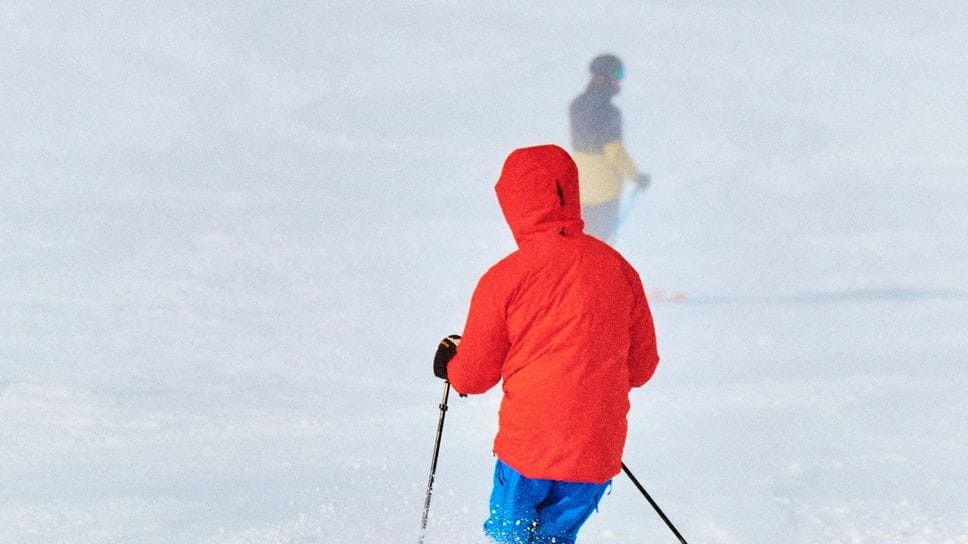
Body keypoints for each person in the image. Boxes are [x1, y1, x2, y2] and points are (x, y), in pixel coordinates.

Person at [433, 144, 660, 544]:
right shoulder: (619, 269)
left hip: (528, 450)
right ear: (571, 191)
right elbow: (642, 368)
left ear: (512, 202)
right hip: (594, 453)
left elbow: (473, 377)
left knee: (510, 537)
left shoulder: (505, 278)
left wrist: (451, 363)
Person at [569, 53, 650, 241]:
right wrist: (636, 177)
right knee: (603, 245)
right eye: (616, 75)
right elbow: (614, 153)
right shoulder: (609, 113)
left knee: (582, 242)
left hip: (580, 189)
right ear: (600, 78)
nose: (619, 81)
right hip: (604, 194)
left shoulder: (577, 105)